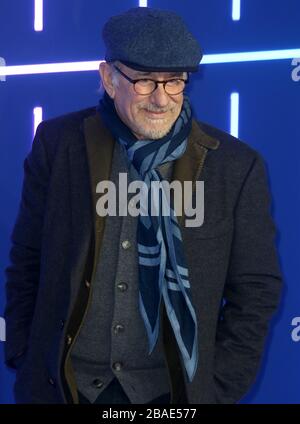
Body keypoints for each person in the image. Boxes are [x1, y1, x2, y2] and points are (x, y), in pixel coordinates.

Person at [4, 7, 283, 404]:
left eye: (174, 82)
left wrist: (215, 388)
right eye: (145, 82)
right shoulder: (58, 144)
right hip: (67, 387)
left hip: (171, 394)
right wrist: (24, 351)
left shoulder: (234, 166)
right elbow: (29, 256)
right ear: (108, 77)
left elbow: (256, 288)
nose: (161, 99)